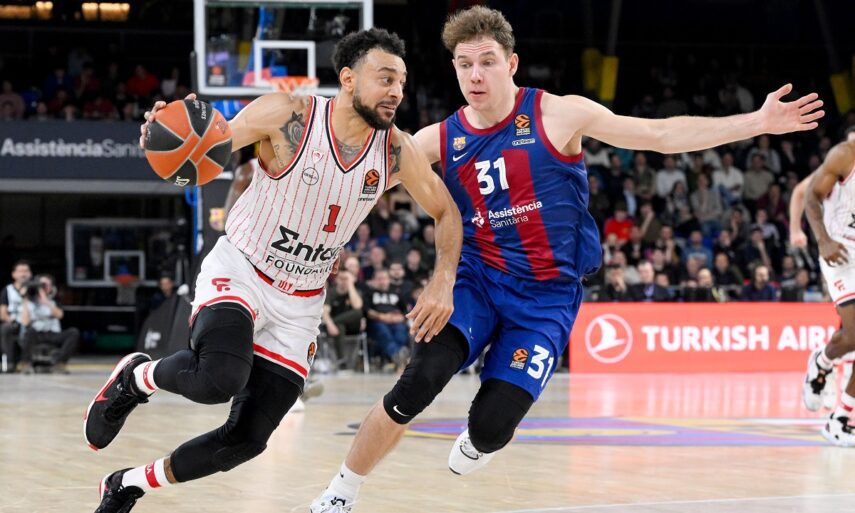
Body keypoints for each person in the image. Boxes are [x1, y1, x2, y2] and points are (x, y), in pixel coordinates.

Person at [310, 6, 824, 512]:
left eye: (487, 62)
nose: (475, 75)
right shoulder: (437, 138)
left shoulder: (558, 114)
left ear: (512, 64)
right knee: (418, 382)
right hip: (476, 282)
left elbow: (660, 135)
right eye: (464, 65)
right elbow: (357, 181)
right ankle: (339, 493)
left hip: (546, 299)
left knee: (490, 428)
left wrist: (757, 122)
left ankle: (482, 439)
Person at [85, 28, 462, 513]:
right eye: (385, 78)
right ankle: (136, 379)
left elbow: (446, 212)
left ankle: (127, 484)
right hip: (242, 269)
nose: (397, 92)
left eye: (402, 83)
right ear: (348, 78)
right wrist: (168, 132)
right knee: (218, 378)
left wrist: (442, 280)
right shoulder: (288, 115)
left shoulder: (396, 150)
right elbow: (212, 141)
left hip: (301, 302)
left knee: (246, 440)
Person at [800, 125, 855, 446]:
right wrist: (822, 240)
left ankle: (840, 418)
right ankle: (822, 363)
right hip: (840, 250)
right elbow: (809, 196)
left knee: (852, 337)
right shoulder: (844, 154)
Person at [19, 274, 79, 374]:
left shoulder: (54, 301)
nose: (43, 288)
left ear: (51, 287)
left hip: (53, 334)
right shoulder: (28, 302)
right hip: (36, 334)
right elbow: (25, 322)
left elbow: (59, 315)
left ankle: (59, 364)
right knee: (29, 332)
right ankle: (26, 364)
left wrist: (46, 301)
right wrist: (25, 299)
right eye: (41, 285)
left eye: (45, 285)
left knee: (73, 332)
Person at [0, 260, 32, 373]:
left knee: (31, 329)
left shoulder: (35, 290)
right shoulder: (7, 290)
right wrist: (11, 321)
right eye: (20, 271)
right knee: (6, 328)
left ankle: (26, 363)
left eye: (26, 271)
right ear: (14, 274)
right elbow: (2, 313)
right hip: (15, 322)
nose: (23, 274)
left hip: (32, 323)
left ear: (30, 274)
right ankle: (9, 363)